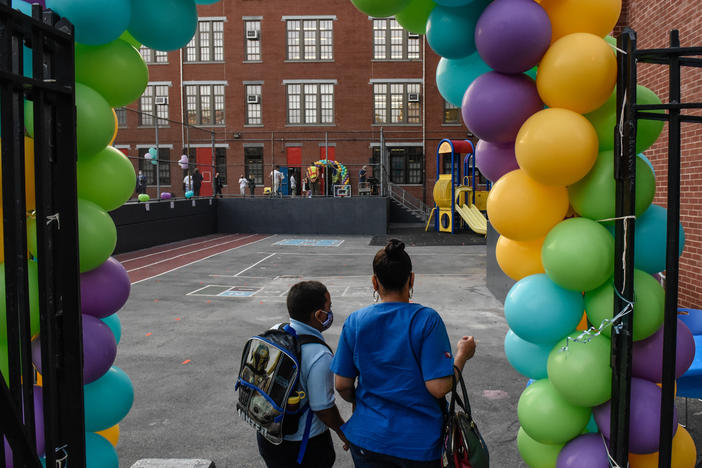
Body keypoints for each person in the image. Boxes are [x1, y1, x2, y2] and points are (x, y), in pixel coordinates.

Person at [331, 239, 476, 467]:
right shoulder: (427, 320)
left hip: (367, 440)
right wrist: (462, 356)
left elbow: (342, 385)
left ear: (374, 282)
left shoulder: (355, 322)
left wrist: (363, 403)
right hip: (418, 446)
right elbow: (438, 388)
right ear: (411, 279)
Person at [257, 281, 349, 468]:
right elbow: (323, 408)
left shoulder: (276, 330)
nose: (330, 312)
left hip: (269, 435)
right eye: (328, 308)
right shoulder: (318, 353)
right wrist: (343, 432)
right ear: (318, 315)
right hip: (304, 447)